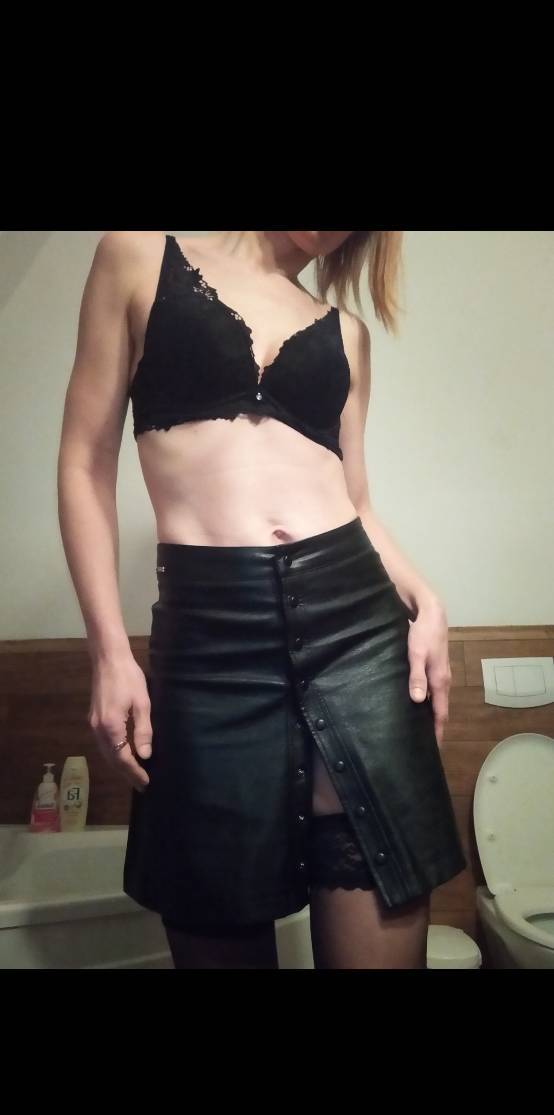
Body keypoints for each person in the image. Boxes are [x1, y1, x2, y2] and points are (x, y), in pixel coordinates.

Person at [57, 230, 466, 970]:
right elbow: (86, 461)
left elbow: (356, 502)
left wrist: (427, 600)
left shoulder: (347, 333)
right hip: (210, 643)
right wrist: (110, 653)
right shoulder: (139, 255)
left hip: (358, 632)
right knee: (211, 909)